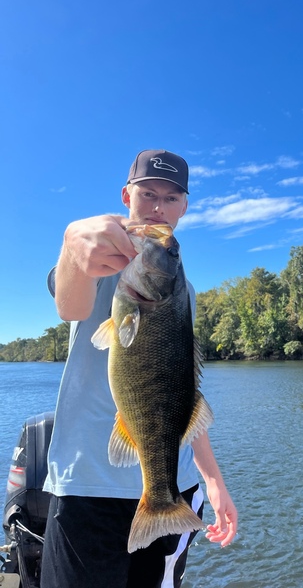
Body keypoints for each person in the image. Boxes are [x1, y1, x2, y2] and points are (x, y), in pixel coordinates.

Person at [40, 149, 238, 588]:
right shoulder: (94, 257)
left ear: (184, 207)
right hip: (87, 485)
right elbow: (69, 306)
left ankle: (166, 500)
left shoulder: (181, 289)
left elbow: (179, 389)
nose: (157, 207)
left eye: (171, 198)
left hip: (175, 485)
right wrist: (72, 242)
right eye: (148, 193)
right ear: (126, 195)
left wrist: (213, 480)